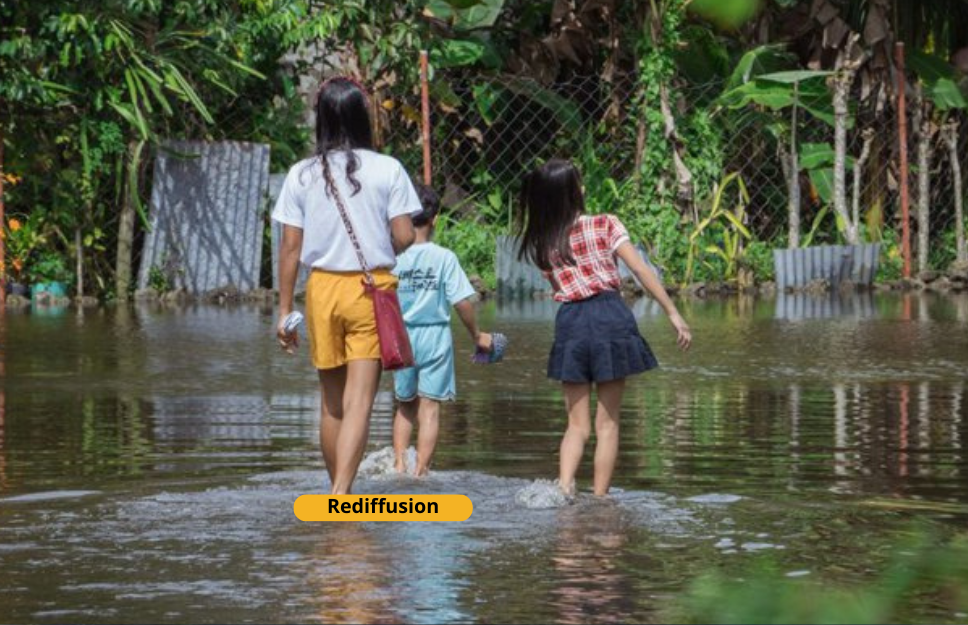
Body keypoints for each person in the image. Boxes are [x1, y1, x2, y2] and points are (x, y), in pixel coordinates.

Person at [273, 77, 419, 495]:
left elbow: (289, 248)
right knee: (360, 403)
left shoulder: (301, 174)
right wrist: (384, 242)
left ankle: (339, 494)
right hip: (370, 291)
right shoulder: (387, 168)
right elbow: (406, 235)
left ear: (321, 118)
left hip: (321, 292)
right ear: (362, 117)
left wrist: (284, 313)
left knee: (331, 403)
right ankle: (341, 498)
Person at [514, 158, 691, 498]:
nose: (582, 187)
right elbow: (639, 269)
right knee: (607, 424)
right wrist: (672, 311)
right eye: (578, 183)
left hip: (570, 322)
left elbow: (557, 288)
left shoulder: (543, 243)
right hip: (610, 315)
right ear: (572, 193)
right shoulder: (605, 224)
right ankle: (600, 501)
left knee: (576, 426)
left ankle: (563, 489)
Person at [390, 183, 492, 476]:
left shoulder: (394, 257)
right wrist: (476, 335)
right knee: (430, 407)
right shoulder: (444, 257)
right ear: (435, 220)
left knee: (405, 405)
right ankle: (420, 471)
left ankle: (399, 467)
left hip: (402, 337)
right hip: (435, 336)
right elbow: (461, 302)